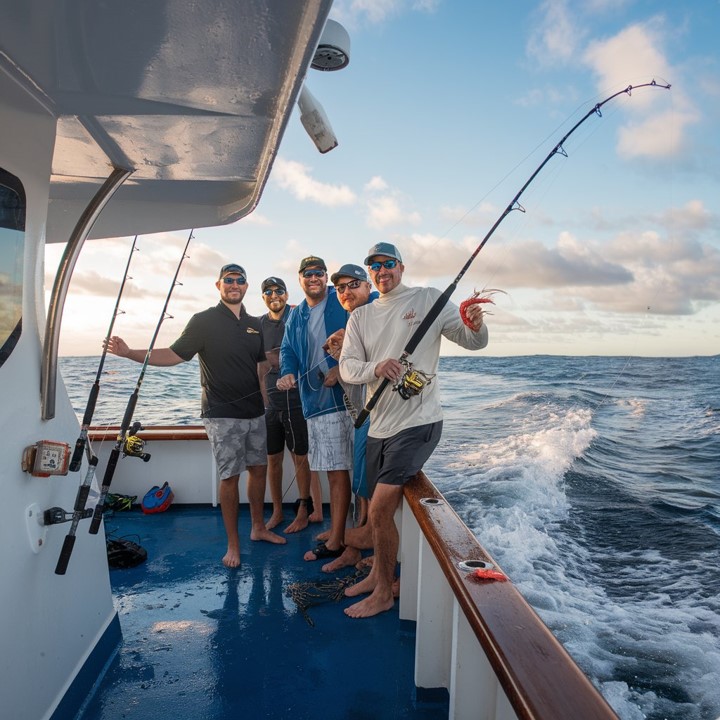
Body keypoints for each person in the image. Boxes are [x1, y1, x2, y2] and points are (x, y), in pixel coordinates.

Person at [339, 243, 489, 618]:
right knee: (379, 512)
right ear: (369, 272)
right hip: (379, 426)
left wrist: (476, 322)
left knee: (380, 508)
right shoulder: (360, 317)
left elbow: (473, 341)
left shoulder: (428, 299)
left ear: (401, 267)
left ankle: (384, 594)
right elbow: (347, 368)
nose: (381, 270)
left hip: (419, 422)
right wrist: (376, 368)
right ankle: (377, 575)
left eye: (388, 263)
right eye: (374, 265)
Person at [106, 263, 285, 568]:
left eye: (240, 280)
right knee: (230, 477)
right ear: (218, 285)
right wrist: (130, 353)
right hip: (221, 414)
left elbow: (262, 366)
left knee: (258, 470)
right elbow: (173, 355)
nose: (234, 284)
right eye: (229, 280)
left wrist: (289, 369)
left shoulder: (255, 323)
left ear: (245, 287)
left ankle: (258, 528)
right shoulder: (203, 321)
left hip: (255, 412)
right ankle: (233, 545)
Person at [277, 256, 352, 561]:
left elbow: (368, 327)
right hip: (313, 405)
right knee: (334, 471)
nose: (314, 278)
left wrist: (342, 367)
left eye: (319, 273)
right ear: (300, 279)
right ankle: (340, 531)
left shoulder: (344, 300)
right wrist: (286, 372)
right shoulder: (295, 315)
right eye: (308, 274)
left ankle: (338, 540)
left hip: (345, 401)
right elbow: (287, 350)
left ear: (326, 278)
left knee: (344, 472)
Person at [320, 264, 378, 573]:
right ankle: (356, 548)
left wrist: (343, 357)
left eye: (353, 284)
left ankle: (364, 550)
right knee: (362, 486)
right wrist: (341, 354)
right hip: (361, 417)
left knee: (370, 488)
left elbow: (374, 369)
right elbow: (355, 374)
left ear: (368, 286)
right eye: (340, 288)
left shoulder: (378, 313)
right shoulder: (355, 319)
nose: (346, 292)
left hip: (377, 418)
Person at [259, 276, 323, 532]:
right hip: (271, 406)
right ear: (263, 296)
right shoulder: (258, 324)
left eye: (279, 290)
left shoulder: (298, 315)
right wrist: (264, 402)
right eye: (268, 291)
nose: (274, 295)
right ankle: (276, 511)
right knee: (272, 460)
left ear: (287, 294)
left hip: (297, 402)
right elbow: (260, 366)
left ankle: (304, 510)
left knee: (301, 459)